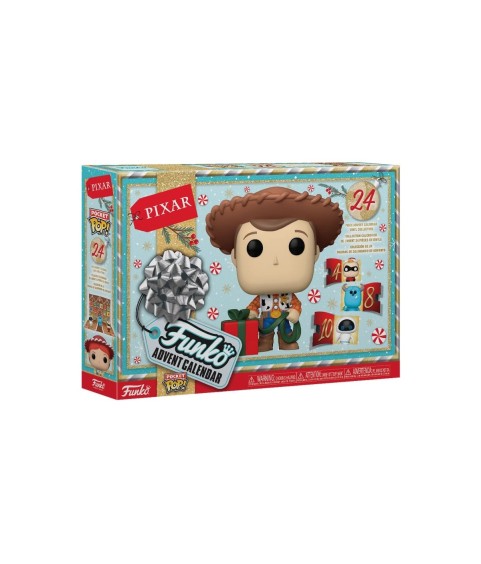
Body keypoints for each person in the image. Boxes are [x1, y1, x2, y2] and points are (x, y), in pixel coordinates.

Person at [206, 187, 343, 351]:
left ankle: (286, 342)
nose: (275, 261)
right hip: (266, 318)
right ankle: (265, 343)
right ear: (236, 258)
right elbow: (254, 305)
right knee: (265, 333)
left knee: (286, 333)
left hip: (284, 317)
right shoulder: (261, 297)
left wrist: (294, 312)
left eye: (296, 246)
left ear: (315, 253)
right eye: (254, 248)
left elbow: (296, 304)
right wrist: (251, 313)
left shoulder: (289, 296)